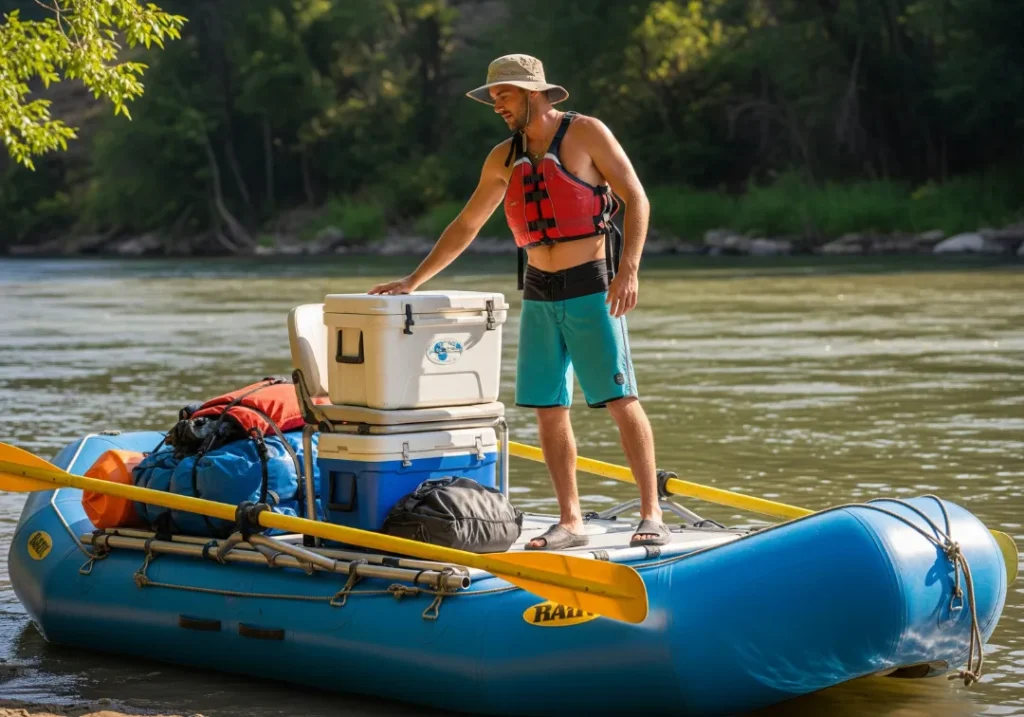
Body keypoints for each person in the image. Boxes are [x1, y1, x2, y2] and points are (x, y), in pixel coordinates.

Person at [368, 54, 669, 549]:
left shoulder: (586, 133)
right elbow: (466, 225)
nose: (495, 106)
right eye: (492, 98)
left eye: (502, 96)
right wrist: (414, 280)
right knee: (549, 409)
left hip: (593, 287)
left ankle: (651, 514)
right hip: (538, 293)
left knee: (620, 400)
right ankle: (570, 521)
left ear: (532, 93)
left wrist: (628, 269)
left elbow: (636, 197)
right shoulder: (501, 158)